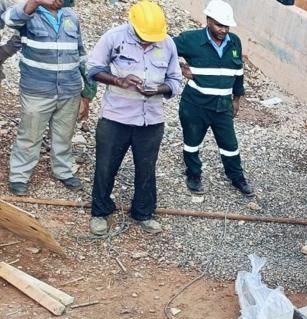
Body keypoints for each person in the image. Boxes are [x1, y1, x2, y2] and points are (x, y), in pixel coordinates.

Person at [86, 1, 183, 236]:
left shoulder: (167, 43)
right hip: (115, 118)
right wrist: (118, 80)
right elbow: (92, 69)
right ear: (133, 25)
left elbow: (176, 81)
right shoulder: (114, 38)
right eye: (144, 37)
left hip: (151, 121)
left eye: (152, 38)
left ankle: (143, 213)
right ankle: (100, 213)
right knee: (106, 167)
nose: (149, 41)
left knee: (146, 168)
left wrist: (159, 89)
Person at [3, 0, 96, 196]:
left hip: (69, 89)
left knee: (64, 135)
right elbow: (9, 19)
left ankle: (62, 170)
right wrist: (35, 2)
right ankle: (20, 175)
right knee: (30, 135)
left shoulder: (71, 16)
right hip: (37, 90)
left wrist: (87, 94)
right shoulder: (29, 14)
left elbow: (81, 55)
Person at [173, 0, 253, 197]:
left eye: (226, 26)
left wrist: (237, 98)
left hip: (223, 105)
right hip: (195, 105)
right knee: (192, 142)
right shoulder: (190, 39)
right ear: (208, 20)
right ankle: (193, 175)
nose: (224, 30)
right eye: (219, 25)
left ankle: (237, 177)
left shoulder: (234, 41)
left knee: (230, 145)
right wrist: (177, 68)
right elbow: (162, 49)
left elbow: (238, 71)